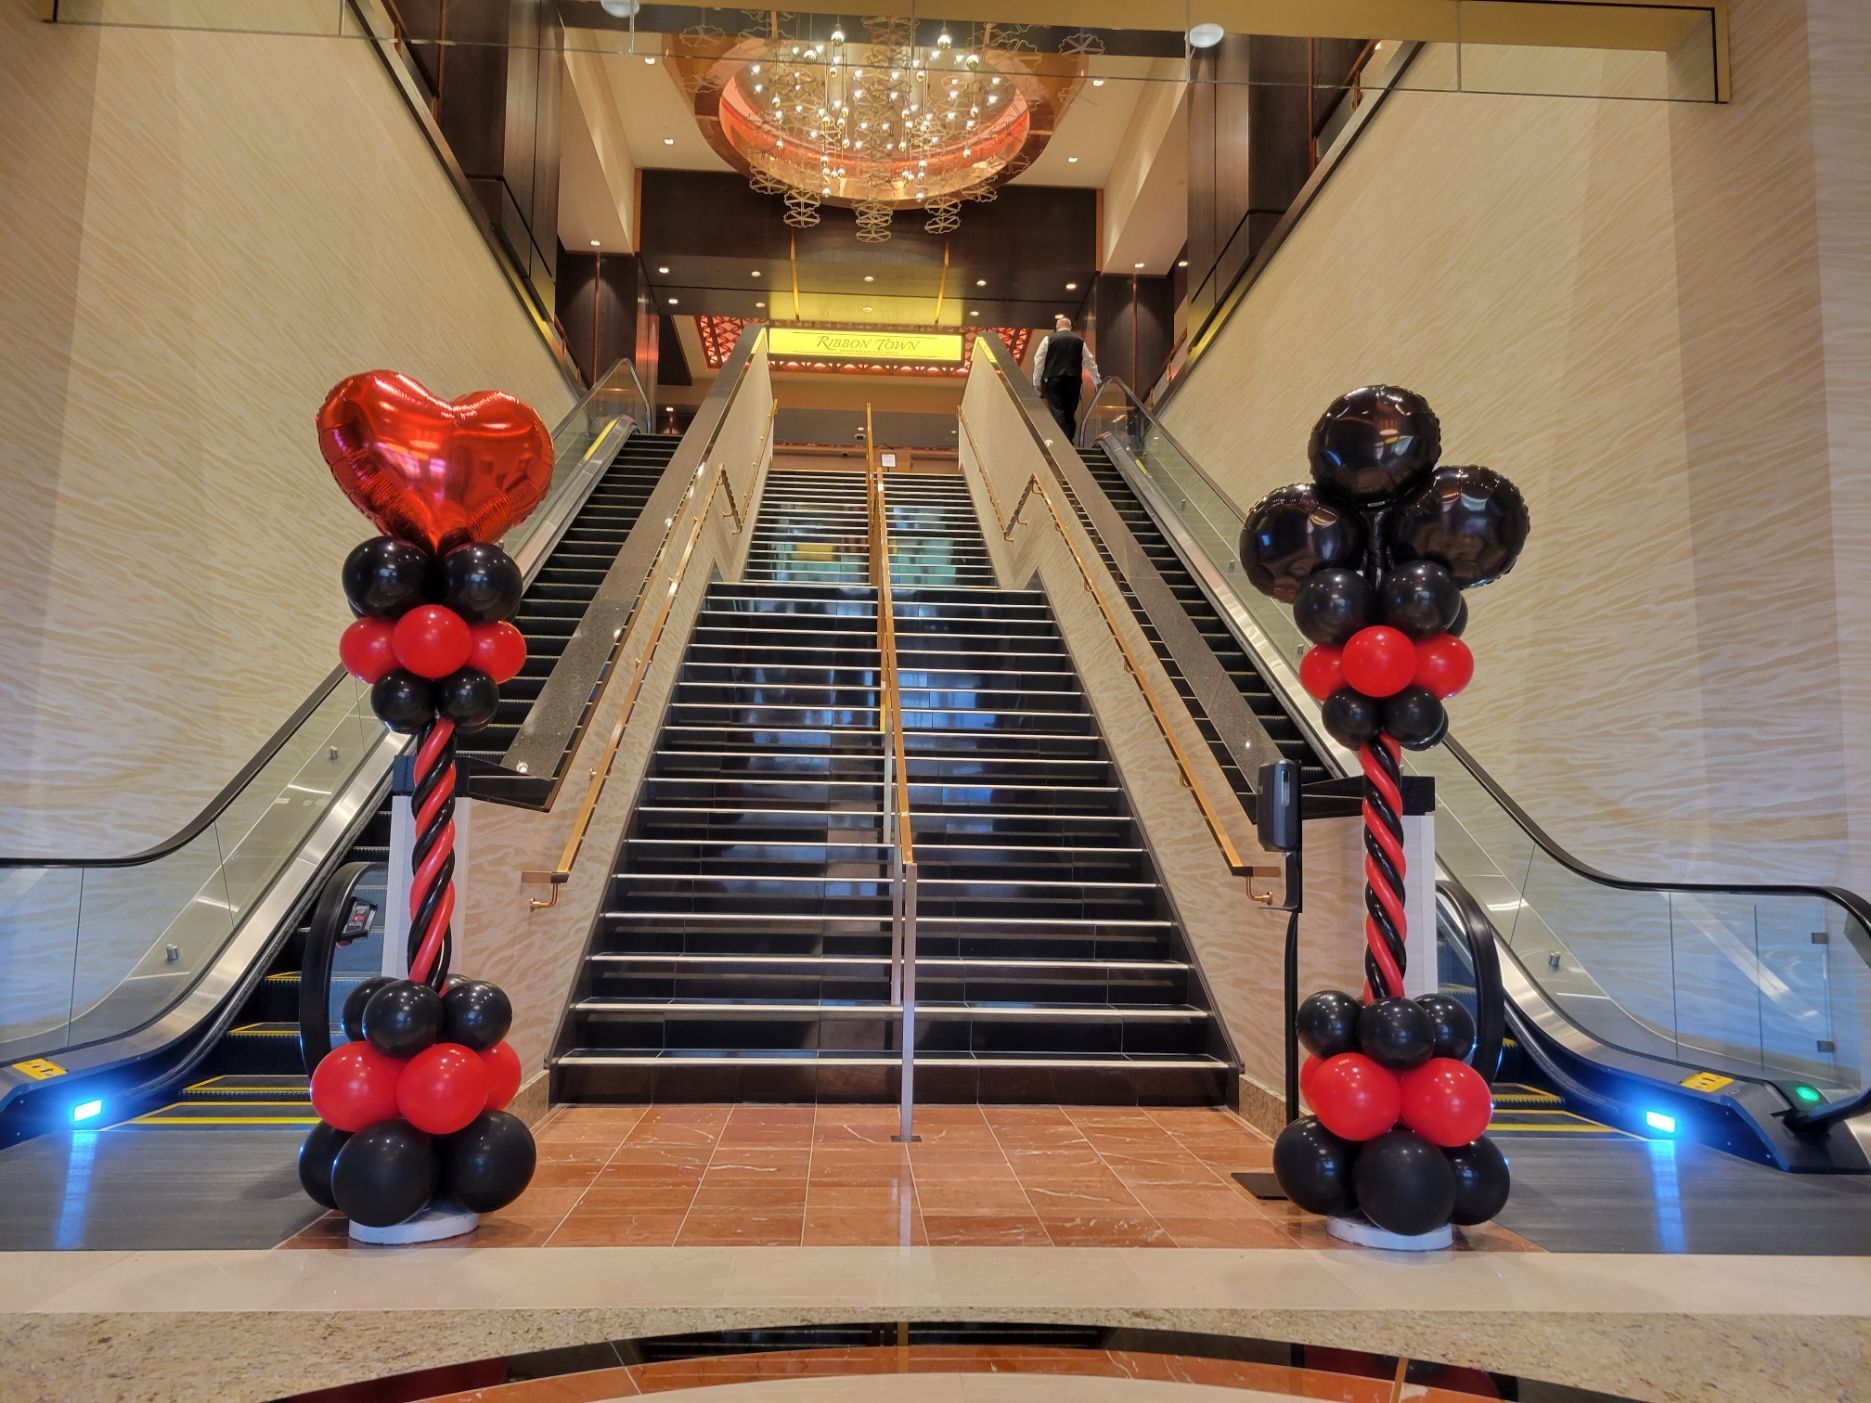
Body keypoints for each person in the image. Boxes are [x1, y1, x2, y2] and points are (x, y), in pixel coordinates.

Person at [1031, 313, 1101, 439]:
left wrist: (1036, 382)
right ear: (1070, 327)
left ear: (1057, 327)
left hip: (1053, 379)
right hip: (1073, 380)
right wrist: (1096, 380)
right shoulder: (1079, 341)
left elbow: (1039, 361)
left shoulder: (1048, 339)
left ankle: (1060, 439)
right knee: (1070, 411)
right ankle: (1068, 438)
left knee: (1057, 409)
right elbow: (1089, 362)